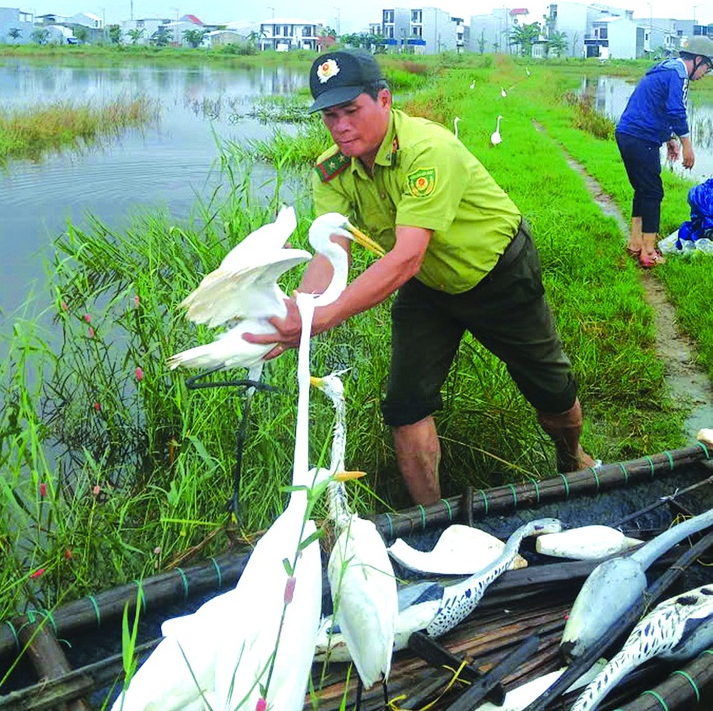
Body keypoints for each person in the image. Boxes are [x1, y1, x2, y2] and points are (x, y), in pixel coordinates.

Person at [247, 49, 595, 505]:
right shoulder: (331, 169)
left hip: (497, 273)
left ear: (385, 100)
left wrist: (326, 318)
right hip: (426, 288)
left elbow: (407, 255)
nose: (340, 126)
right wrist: (300, 312)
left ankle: (571, 458)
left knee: (552, 394)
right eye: (330, 116)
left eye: (351, 111)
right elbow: (332, 249)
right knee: (405, 407)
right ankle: (432, 521)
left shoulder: (427, 150)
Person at [615, 36, 713, 268]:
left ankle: (635, 244)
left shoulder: (666, 68)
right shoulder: (678, 74)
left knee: (644, 190)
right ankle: (649, 252)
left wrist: (669, 139)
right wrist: (687, 146)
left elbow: (656, 107)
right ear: (698, 60)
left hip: (630, 135)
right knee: (652, 192)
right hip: (640, 137)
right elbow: (676, 111)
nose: (704, 75)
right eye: (707, 68)